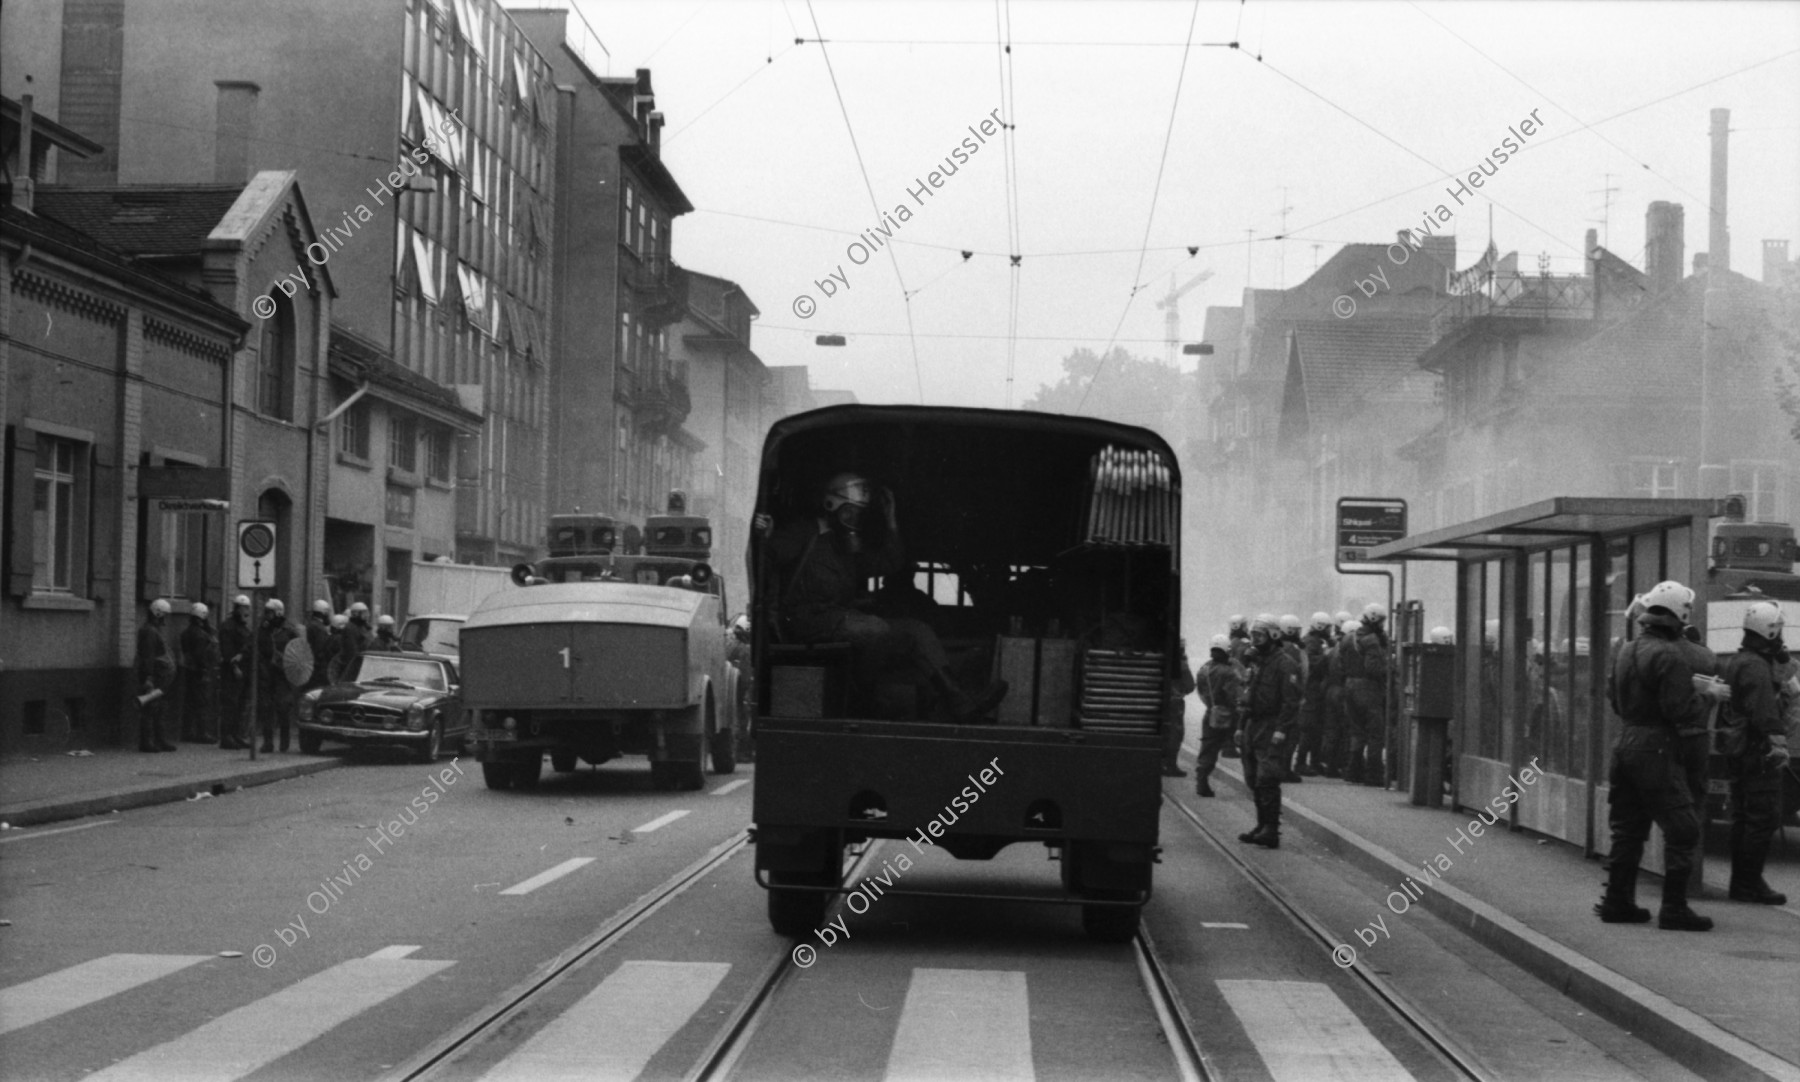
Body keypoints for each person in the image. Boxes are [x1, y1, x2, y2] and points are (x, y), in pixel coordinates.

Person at [757, 471, 1006, 721]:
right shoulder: (804, 533)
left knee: (915, 632)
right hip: (805, 622)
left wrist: (891, 522)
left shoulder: (845, 546)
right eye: (850, 511)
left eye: (859, 513)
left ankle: (959, 701)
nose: (854, 519)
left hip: (840, 624)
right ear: (832, 506)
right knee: (873, 628)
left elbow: (889, 563)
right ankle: (865, 697)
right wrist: (765, 537)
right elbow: (765, 561)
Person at [1597, 580, 1726, 930]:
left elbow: (1614, 698)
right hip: (1657, 748)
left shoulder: (1625, 649)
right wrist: (1710, 694)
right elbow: (1681, 711)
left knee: (1628, 828)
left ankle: (1617, 901)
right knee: (1683, 827)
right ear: (1680, 614)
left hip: (1626, 743)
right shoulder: (1670, 655)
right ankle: (1674, 908)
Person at [1718, 601, 1790, 905]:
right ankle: (1750, 883)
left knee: (1744, 817)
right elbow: (1763, 712)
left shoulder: (1740, 661)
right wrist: (1779, 744)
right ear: (1770, 630)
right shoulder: (1757, 667)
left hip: (1740, 749)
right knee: (1762, 817)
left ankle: (1742, 883)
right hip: (1756, 752)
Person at [1237, 614, 1302, 848]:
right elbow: (1248, 694)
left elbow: (1290, 701)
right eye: (1253, 634)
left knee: (1267, 778)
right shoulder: (1257, 661)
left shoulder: (1285, 664)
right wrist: (1241, 726)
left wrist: (1281, 730)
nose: (1255, 639)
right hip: (1253, 724)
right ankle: (1261, 824)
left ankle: (1271, 829)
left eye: (1259, 635)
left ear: (1273, 635)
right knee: (1253, 777)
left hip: (1271, 724)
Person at [1340, 603, 1392, 786]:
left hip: (1349, 686)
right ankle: (1373, 774)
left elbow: (1340, 664)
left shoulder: (1348, 638)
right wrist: (1388, 669)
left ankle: (1352, 771)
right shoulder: (1371, 640)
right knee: (1375, 733)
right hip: (1368, 689)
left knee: (1357, 731)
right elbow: (1373, 668)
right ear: (1374, 619)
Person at [1194, 634, 1245, 797]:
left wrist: (1211, 705)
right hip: (1228, 716)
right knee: (1243, 745)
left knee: (1208, 748)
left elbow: (1200, 691)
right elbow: (1235, 695)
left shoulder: (1204, 668)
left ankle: (1201, 781)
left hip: (1211, 713)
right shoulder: (1229, 672)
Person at [256, 599, 303, 753]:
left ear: (278, 612)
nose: (267, 616)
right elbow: (257, 645)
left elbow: (298, 651)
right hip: (267, 672)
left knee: (283, 707)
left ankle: (284, 741)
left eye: (269, 612)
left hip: (283, 675)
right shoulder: (264, 630)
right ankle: (268, 741)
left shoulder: (289, 631)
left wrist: (286, 660)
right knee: (266, 707)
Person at [135, 599, 179, 753]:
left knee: (159, 709)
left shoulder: (152, 630)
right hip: (154, 677)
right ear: (157, 614)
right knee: (150, 708)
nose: (165, 619)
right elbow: (148, 656)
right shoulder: (149, 632)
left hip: (160, 677)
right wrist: (148, 678)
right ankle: (147, 742)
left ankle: (158, 740)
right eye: (164, 615)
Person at [1294, 613, 1334, 776]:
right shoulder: (1312, 642)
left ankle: (1315, 762)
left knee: (1317, 728)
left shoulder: (1317, 641)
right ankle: (1301, 762)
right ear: (1320, 626)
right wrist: (1327, 656)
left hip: (1317, 690)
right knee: (1309, 727)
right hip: (1311, 690)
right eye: (1327, 627)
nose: (1330, 630)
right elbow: (1311, 664)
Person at [178, 602, 220, 744]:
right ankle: (202, 733)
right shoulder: (201, 636)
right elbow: (201, 655)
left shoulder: (185, 633)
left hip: (188, 670)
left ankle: (187, 732)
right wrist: (204, 670)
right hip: (200, 671)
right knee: (202, 702)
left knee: (189, 701)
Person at [218, 596, 253, 749]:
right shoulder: (228, 626)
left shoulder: (243, 627)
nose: (248, 611)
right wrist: (234, 667)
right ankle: (226, 737)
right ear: (238, 608)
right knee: (230, 704)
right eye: (245, 608)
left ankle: (236, 735)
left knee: (240, 704)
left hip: (244, 670)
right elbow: (227, 650)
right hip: (232, 671)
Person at [1163, 639, 1196, 777]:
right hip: (1175, 703)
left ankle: (1161, 763)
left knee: (1164, 731)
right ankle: (1170, 765)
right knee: (1175, 734)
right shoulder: (1181, 664)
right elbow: (1190, 685)